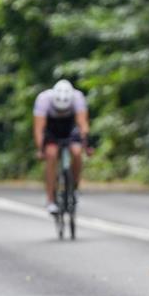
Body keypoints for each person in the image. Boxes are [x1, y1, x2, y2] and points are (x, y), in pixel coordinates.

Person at [33, 79, 90, 214]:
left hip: (70, 127)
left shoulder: (77, 98)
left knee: (76, 152)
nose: (61, 111)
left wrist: (87, 145)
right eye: (58, 109)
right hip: (52, 129)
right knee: (51, 154)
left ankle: (74, 187)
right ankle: (51, 199)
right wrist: (41, 150)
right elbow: (38, 129)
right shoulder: (43, 99)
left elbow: (83, 125)